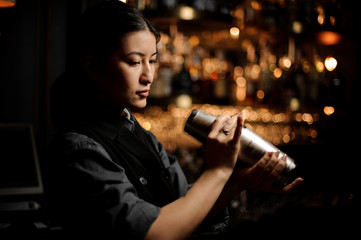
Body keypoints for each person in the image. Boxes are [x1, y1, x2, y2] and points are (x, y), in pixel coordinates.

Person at [45, 1, 304, 239]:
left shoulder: (134, 128)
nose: (148, 76)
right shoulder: (79, 149)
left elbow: (185, 210)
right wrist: (219, 170)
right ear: (92, 66)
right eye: (134, 62)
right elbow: (156, 233)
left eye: (153, 61)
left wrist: (238, 181)